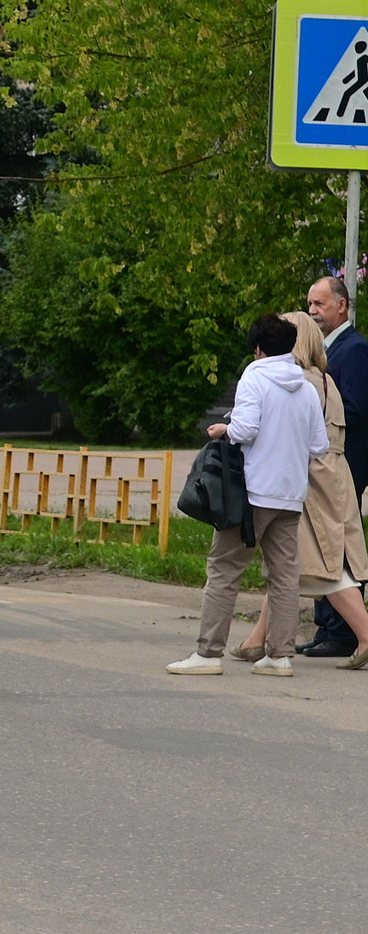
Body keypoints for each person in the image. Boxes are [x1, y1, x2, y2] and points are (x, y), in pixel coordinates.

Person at [172, 314, 326, 675]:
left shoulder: (254, 377)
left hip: (252, 493)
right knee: (285, 575)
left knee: (225, 569)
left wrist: (225, 428)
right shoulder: (306, 387)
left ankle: (208, 653)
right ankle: (280, 655)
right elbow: (319, 445)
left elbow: (246, 428)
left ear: (257, 349)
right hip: (290, 495)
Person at [232, 312, 368, 669]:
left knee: (321, 564)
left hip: (310, 479)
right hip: (330, 474)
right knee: (289, 563)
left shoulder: (301, 380)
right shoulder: (321, 379)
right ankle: (257, 640)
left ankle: (367, 635)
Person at [300, 275, 368, 655]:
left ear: (341, 306)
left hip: (343, 466)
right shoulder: (323, 352)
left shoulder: (354, 350)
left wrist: (319, 414)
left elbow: (357, 410)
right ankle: (328, 629)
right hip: (321, 467)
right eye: (310, 304)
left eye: (320, 304)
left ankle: (344, 632)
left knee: (336, 548)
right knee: (317, 545)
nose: (313, 311)